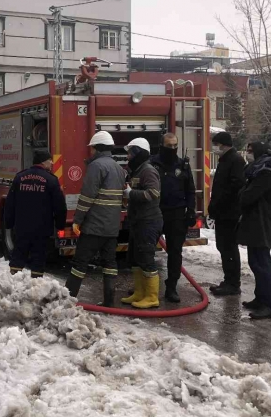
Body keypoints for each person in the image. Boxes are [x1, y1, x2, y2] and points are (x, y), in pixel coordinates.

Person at [64, 131, 127, 307]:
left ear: (97, 148)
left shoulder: (96, 167)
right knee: (109, 263)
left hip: (94, 227)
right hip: (112, 227)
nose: (90, 151)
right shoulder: (118, 168)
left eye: (91, 148)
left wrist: (77, 220)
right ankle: (109, 301)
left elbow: (87, 197)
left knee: (80, 262)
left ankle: (67, 300)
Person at [149, 133, 197, 303]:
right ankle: (146, 286)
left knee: (175, 253)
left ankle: (171, 288)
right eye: (168, 145)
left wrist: (191, 210)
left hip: (176, 214)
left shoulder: (182, 165)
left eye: (174, 145)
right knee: (145, 250)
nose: (172, 149)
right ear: (161, 146)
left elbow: (190, 189)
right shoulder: (152, 163)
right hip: (155, 212)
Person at [4, 150, 67, 278]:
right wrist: (60, 225)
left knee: (18, 255)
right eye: (50, 160)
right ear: (43, 162)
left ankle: (13, 283)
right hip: (42, 229)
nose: (51, 163)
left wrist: (8, 223)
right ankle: (36, 286)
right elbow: (60, 206)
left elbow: (10, 203)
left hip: (22, 227)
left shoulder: (19, 177)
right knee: (38, 258)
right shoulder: (51, 180)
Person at [118, 138, 164, 309]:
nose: (128, 156)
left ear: (138, 153)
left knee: (146, 258)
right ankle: (139, 292)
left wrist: (131, 194)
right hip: (138, 221)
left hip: (148, 221)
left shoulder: (148, 171)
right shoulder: (137, 170)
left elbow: (153, 193)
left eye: (130, 152)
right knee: (135, 259)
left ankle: (152, 297)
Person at [238, 142, 271, 320]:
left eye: (250, 151)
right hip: (255, 224)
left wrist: (243, 191)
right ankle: (260, 298)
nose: (248, 154)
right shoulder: (256, 172)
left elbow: (246, 197)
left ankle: (269, 305)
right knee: (255, 263)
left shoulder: (265, 174)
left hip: (262, 225)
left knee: (262, 265)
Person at [209, 131, 246, 296]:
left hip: (229, 212)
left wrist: (219, 203)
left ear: (222, 144)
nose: (214, 148)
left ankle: (233, 283)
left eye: (215, 144)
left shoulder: (235, 160)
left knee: (228, 247)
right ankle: (228, 279)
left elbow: (235, 186)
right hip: (222, 211)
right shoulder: (226, 159)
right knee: (222, 246)